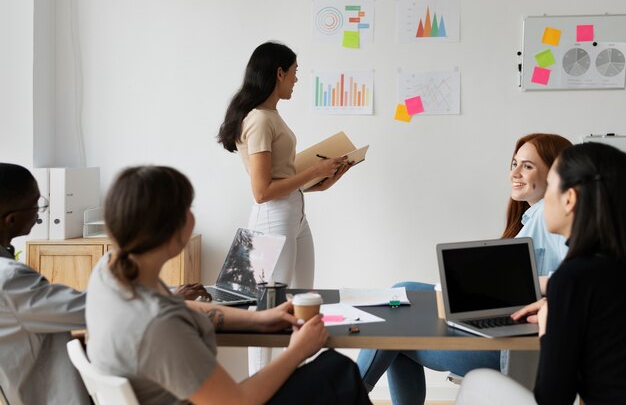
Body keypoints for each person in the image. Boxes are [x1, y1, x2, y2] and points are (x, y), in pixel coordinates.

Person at [86, 165, 371, 405]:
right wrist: (299, 350)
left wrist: (259, 319)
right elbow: (237, 402)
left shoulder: (109, 272)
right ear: (172, 232)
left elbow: (179, 307)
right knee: (339, 373)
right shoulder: (160, 328)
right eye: (188, 208)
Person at [356, 133, 572, 405]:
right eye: (514, 164)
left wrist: (521, 284)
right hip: (504, 332)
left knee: (396, 318)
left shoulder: (546, 215)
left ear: (555, 174)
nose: (515, 173)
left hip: (515, 349)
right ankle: (351, 391)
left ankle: (348, 393)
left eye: (527, 166)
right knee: (401, 301)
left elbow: (572, 279)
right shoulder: (532, 217)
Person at [456, 142, 626, 405]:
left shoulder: (573, 278)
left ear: (569, 199)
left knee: (479, 380)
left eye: (551, 186)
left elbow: (554, 397)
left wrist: (550, 327)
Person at [217, 41, 351, 373]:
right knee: (265, 312)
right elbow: (262, 191)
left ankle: (296, 381)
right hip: (272, 219)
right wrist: (314, 171)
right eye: (294, 73)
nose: (296, 80)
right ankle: (260, 389)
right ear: (279, 73)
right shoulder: (260, 120)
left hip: (293, 214)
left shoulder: (270, 116)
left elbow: (280, 178)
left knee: (305, 299)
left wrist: (322, 180)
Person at [0, 163, 89, 405]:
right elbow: (93, 310)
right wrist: (171, 295)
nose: (40, 212)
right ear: (11, 219)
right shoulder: (10, 280)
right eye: (36, 204)